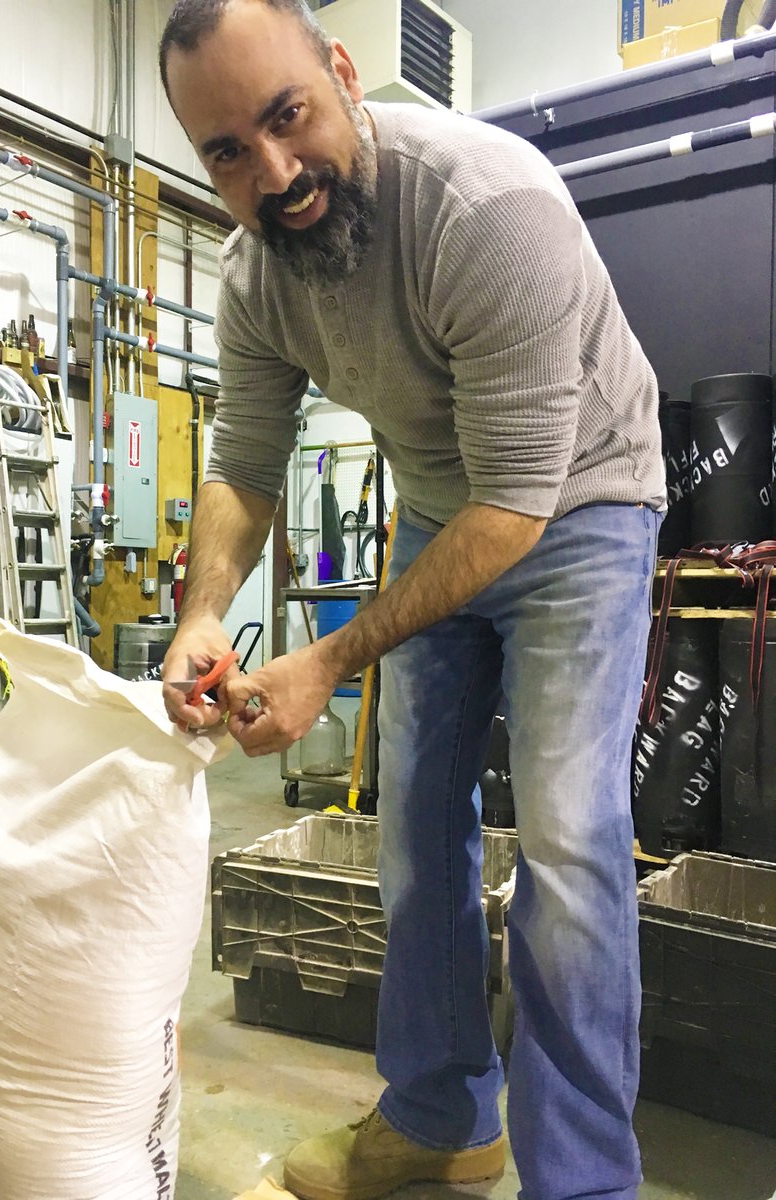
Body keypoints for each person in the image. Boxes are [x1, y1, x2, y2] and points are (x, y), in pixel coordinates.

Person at [157, 3, 665, 1199]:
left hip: (581, 502)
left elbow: (518, 511)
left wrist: (327, 660)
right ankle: (442, 1120)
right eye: (229, 150)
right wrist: (200, 615)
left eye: (288, 117)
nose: (274, 174)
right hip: (451, 509)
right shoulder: (254, 275)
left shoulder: (490, 212)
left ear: (344, 75)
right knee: (412, 825)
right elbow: (243, 462)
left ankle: (584, 1179)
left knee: (571, 839)